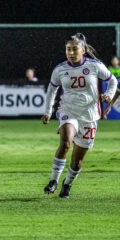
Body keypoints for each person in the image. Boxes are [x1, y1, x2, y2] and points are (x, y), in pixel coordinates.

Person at [42, 33, 117, 198]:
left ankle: (67, 184)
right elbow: (51, 90)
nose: (70, 52)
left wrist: (109, 95)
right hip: (68, 111)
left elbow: (113, 81)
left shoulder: (95, 66)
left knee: (77, 162)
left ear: (83, 50)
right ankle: (53, 180)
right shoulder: (60, 69)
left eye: (74, 49)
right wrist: (48, 112)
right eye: (68, 49)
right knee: (65, 143)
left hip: (89, 116)